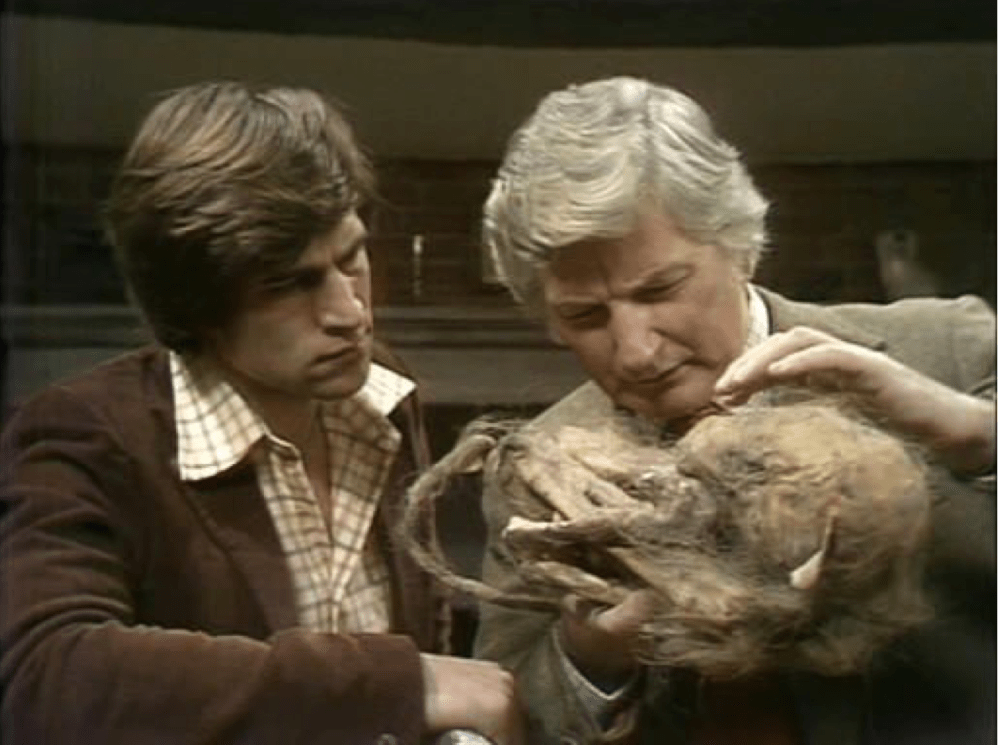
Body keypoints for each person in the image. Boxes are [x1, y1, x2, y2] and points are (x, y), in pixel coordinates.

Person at [474, 76, 995, 745]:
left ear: (740, 245)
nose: (634, 351)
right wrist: (592, 657)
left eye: (661, 288)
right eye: (585, 315)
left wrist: (975, 436)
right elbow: (504, 705)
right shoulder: (531, 476)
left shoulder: (946, 347)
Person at [0, 81, 523, 745]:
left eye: (350, 256)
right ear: (199, 304)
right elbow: (45, 675)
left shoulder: (385, 395)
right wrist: (399, 683)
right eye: (289, 282)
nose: (350, 312)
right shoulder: (85, 431)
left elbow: (430, 623)